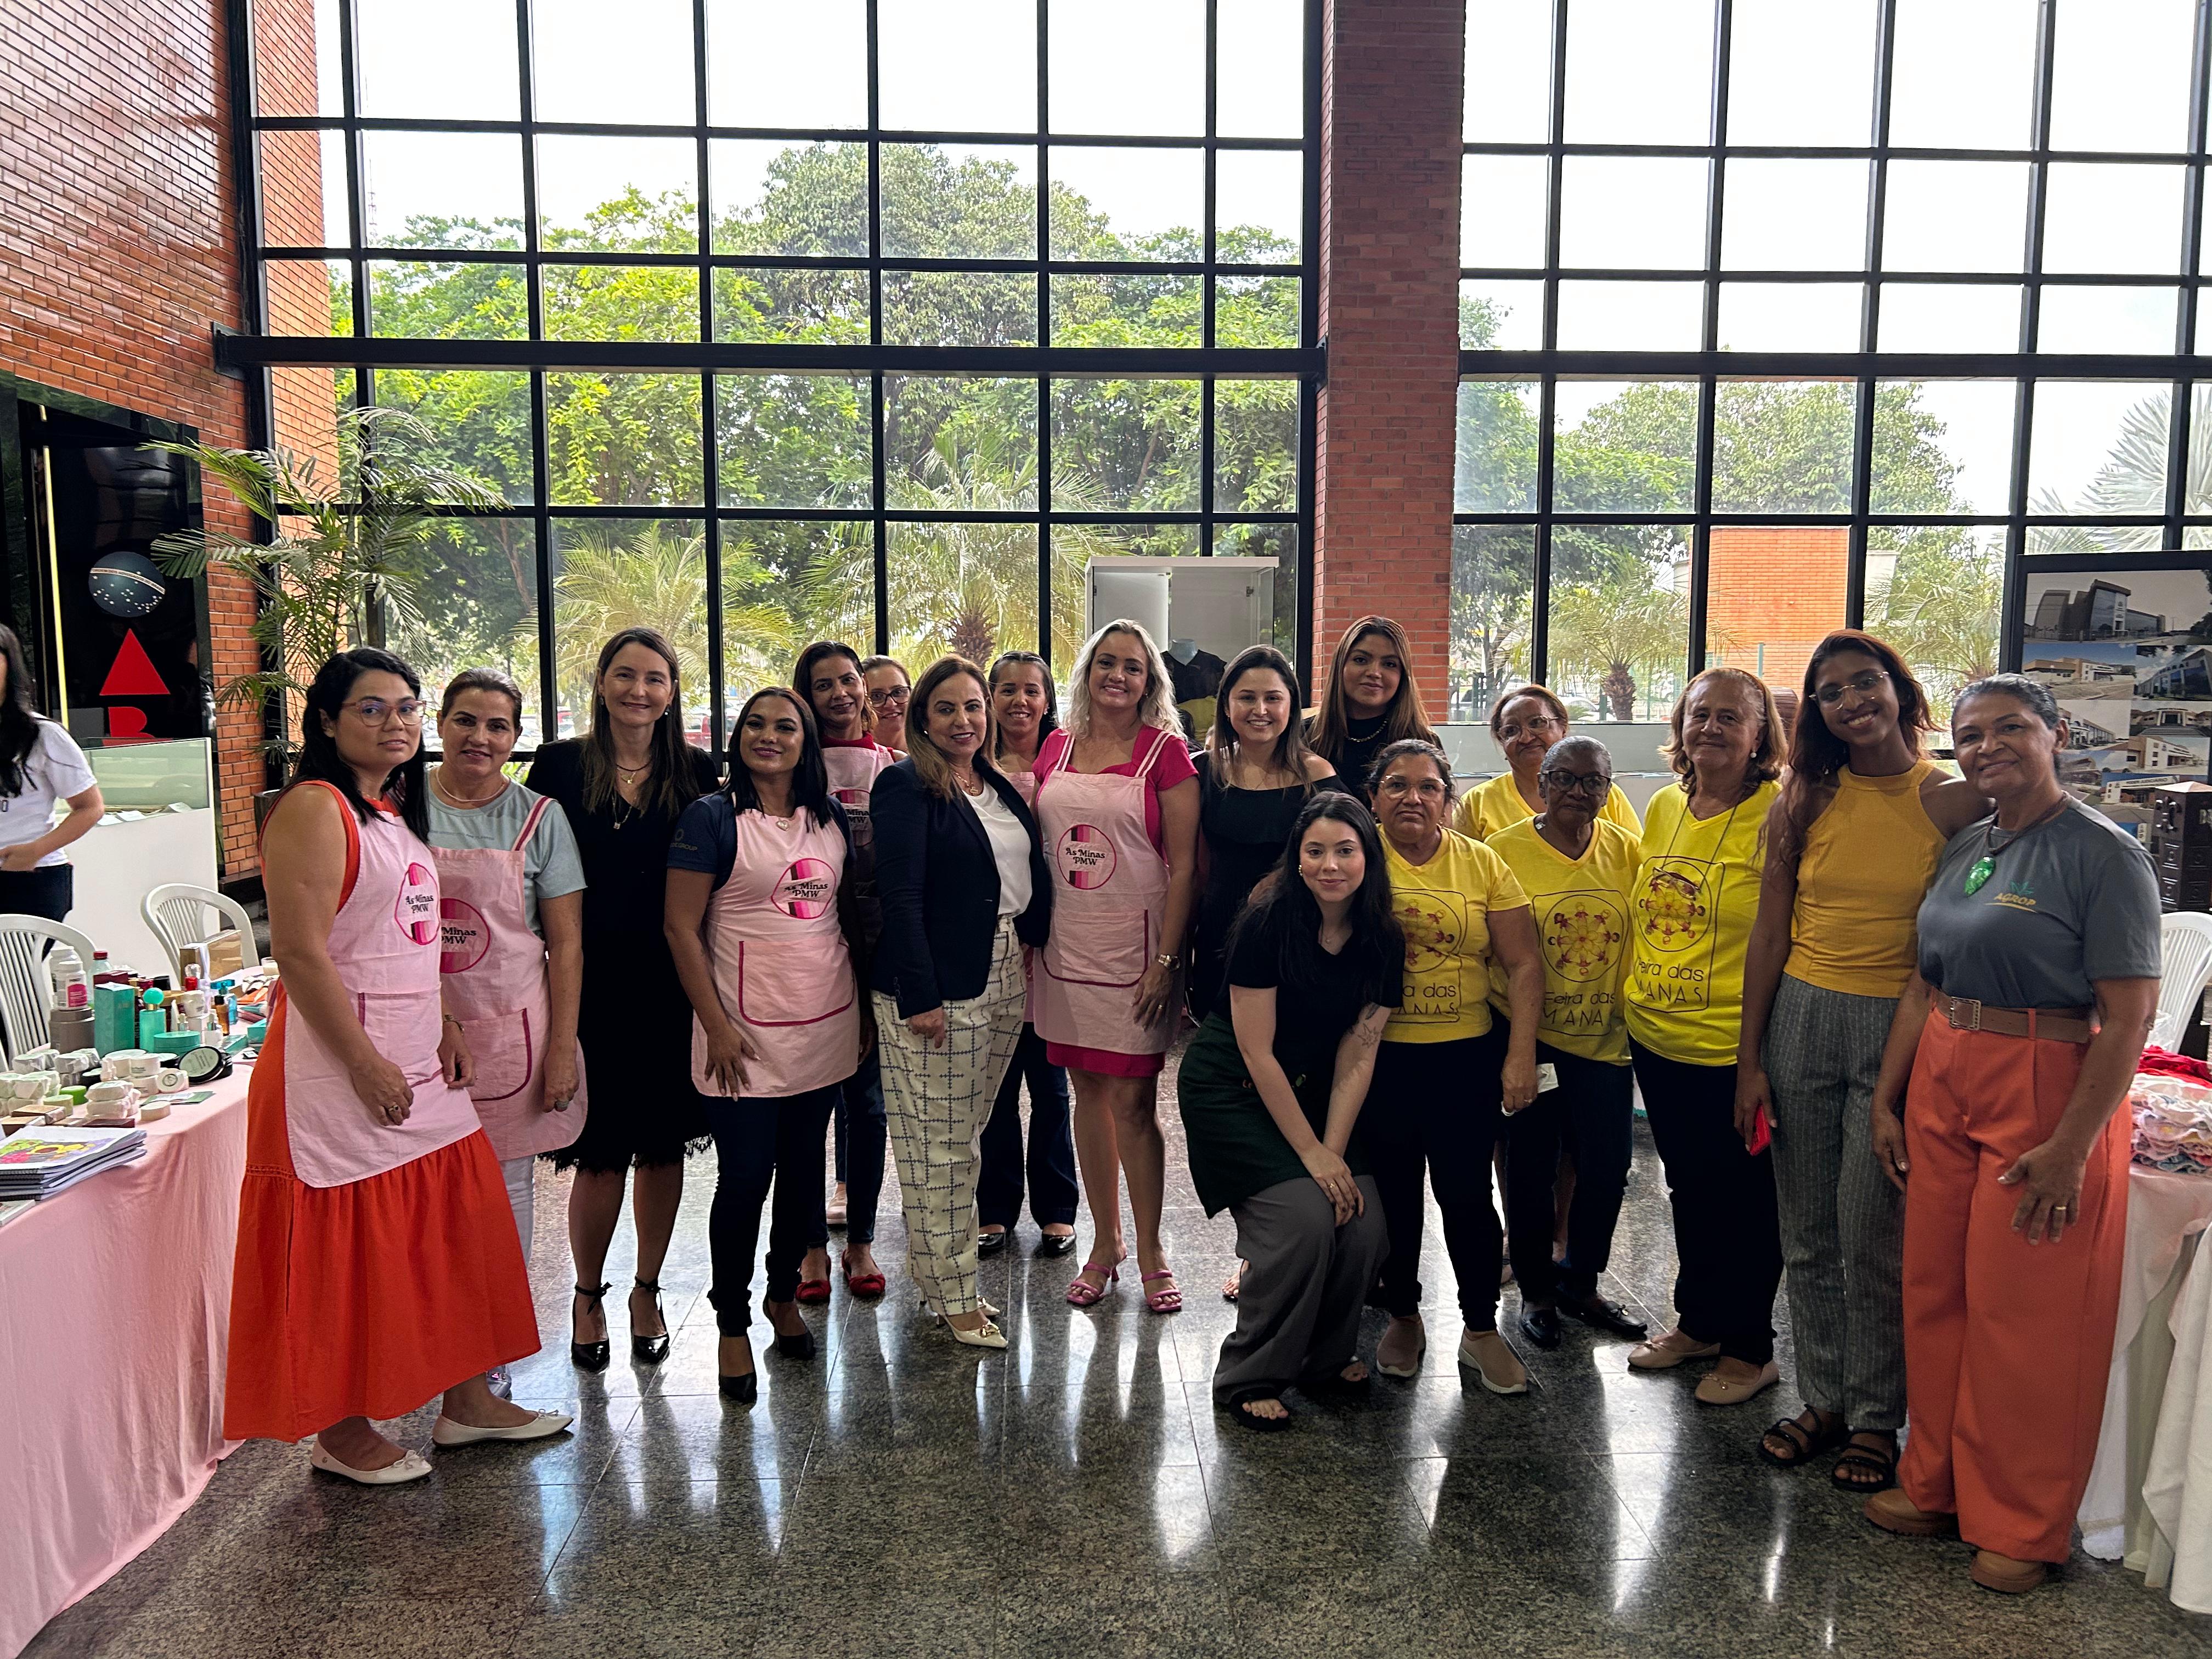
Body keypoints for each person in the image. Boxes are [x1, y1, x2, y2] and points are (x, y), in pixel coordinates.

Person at [225, 648, 567, 1483]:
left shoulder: (388, 812)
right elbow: (302, 957)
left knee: (455, 1228)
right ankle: (340, 1430)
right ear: (329, 721)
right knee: (348, 1250)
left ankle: (467, 1401)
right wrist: (365, 1063)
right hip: (340, 1073)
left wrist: (445, 1020)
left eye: (407, 708)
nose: (396, 723)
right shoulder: (314, 809)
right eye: (373, 709)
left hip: (419, 1060)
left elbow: (403, 943)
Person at [1862, 675, 2159, 1594]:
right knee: (1937, 1290)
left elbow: (2125, 1019)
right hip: (1943, 1070)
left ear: (2054, 732)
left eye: (2009, 728)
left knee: (2023, 1312)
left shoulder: (2104, 857)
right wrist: (1887, 1096)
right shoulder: (1969, 843)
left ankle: (2021, 1522)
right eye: (1969, 734)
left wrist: (2071, 1146)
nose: (1986, 747)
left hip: (2043, 1084)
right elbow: (1921, 981)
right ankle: (1937, 1480)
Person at [1735, 633, 1987, 1491]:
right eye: (1831, 692)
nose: (1851, 700)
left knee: (1870, 1232)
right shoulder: (1804, 798)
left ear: (1900, 689)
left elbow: (1953, 947)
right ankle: (1827, 1399)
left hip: (1899, 1030)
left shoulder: (1954, 805)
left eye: (1864, 682)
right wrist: (1750, 1061)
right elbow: (1770, 933)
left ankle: (1881, 1416)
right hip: (1801, 1015)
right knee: (1805, 1233)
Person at [664, 687, 870, 1402]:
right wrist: (716, 1025)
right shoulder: (711, 819)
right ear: (737, 736)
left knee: (804, 1177)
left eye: (786, 726)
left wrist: (866, 1012)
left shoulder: (829, 817)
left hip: (823, 1024)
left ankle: (783, 1296)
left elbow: (841, 920)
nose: (769, 736)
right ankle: (730, 1322)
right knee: (746, 1179)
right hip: (740, 1038)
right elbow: (679, 929)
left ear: (806, 742)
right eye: (756, 724)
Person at [526, 628, 720, 1372]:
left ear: (673, 693)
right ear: (602, 682)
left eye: (655, 680)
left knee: (663, 1147)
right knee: (601, 1153)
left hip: (672, 980)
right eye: (625, 676)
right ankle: (585, 1293)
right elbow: (530, 871)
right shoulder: (560, 766)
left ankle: (647, 1290)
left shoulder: (695, 770)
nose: (640, 691)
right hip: (588, 979)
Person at [1178, 794, 1400, 1430]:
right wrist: (1312, 1156)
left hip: (1310, 1089)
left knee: (1363, 1219)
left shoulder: (1382, 935)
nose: (1330, 865)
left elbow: (1360, 1049)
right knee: (1303, 1220)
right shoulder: (1268, 921)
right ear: (1297, 858)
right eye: (1315, 851)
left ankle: (1323, 1361)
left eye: (1346, 850)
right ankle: (1249, 1373)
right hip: (1233, 1086)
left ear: (1368, 856)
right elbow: (1255, 1050)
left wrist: (1332, 1151)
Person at [871, 657, 1054, 1347]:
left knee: (957, 1139)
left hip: (1004, 971)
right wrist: (921, 996)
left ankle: (933, 1274)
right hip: (938, 988)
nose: (964, 721)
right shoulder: (905, 785)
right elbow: (901, 896)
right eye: (946, 709)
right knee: (938, 1149)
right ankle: (953, 1295)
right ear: (922, 717)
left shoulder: (993, 784)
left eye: (973, 707)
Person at [1622, 667, 1786, 1405]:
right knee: (1687, 1188)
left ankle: (1751, 1348)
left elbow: (1784, 934)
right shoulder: (1664, 806)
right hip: (1659, 1038)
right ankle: (1699, 1324)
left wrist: (1755, 1058)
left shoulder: (1779, 813)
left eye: (1730, 718)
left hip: (1733, 1048)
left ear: (1760, 737)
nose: (1711, 729)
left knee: (1746, 1201)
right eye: (1699, 715)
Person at [1362, 738, 1545, 1392]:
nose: (1413, 797)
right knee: (1394, 1199)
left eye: (1428, 786)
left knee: (1468, 1197)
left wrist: (1520, 1055)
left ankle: (1480, 1329)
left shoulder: (1483, 864)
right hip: (1377, 1063)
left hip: (1465, 1059)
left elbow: (1524, 964)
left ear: (1448, 798)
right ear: (1374, 796)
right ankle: (1404, 1315)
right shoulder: (1358, 858)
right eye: (1397, 785)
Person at [425, 669, 589, 1396]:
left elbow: (568, 944)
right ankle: (428, 1347)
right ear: (439, 724)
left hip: (510, 1029)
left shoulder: (538, 818)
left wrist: (562, 1049)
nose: (480, 737)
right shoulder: (399, 810)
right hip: (415, 1028)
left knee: (505, 1194)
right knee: (418, 1199)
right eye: (466, 721)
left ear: (515, 739)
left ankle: (489, 1356)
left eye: (497, 726)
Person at [1031, 619, 1200, 1313]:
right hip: (1066, 951)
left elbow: (1187, 866)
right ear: (1088, 672)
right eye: (1107, 663)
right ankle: (1106, 1242)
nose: (1118, 677)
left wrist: (1169, 962)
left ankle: (1153, 1245)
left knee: (1133, 1102)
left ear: (1150, 682)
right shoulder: (1056, 745)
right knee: (1085, 1095)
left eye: (1133, 667)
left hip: (1136, 954)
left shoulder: (1168, 754)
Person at [1482, 735, 1649, 1347]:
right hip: (1531, 1041)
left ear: (1610, 790)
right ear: (1544, 783)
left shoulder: (1628, 852)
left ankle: (1581, 1281)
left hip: (1606, 1043)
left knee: (1608, 1171)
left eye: (1594, 782)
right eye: (1566, 779)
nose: (1579, 792)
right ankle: (1535, 1291)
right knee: (1529, 1172)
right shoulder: (1501, 853)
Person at [793, 641, 890, 1299]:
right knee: (808, 1106)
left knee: (869, 1103)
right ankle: (807, 1248)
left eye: (849, 680)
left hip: (879, 948)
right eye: (823, 684)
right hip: (807, 947)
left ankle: (859, 1242)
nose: (840, 693)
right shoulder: (791, 769)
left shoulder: (897, 767)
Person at [975, 649, 1077, 1259]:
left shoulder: (1066, 758)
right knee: (996, 1084)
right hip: (993, 941)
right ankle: (994, 1208)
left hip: (1058, 940)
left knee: (1051, 1086)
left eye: (1031, 691)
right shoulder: (972, 763)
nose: (1019, 701)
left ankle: (1058, 1210)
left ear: (1047, 699)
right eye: (1007, 690)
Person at [1191, 645, 1342, 1025]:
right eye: (1247, 698)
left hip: (1295, 936)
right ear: (1226, 706)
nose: (1260, 710)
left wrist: (1285, 876)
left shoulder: (1317, 775)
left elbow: (1352, 854)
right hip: (1218, 934)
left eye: (1273, 698)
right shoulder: (1203, 771)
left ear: (1291, 707)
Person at [0, 622, 102, 922]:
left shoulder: (42, 735)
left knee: (15, 969)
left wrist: (35, 851)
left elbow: (90, 807)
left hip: (29, 877)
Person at [1455, 684, 1639, 842]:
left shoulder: (1602, 792)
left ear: (1563, 728)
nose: (1526, 738)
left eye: (1537, 723)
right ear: (1502, 742)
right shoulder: (1478, 802)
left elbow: (1637, 860)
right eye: (1511, 731)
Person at [1305, 616, 1438, 795]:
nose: (1374, 673)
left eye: (1389, 664)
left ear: (1403, 676)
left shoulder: (1423, 743)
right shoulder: (1303, 738)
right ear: (1340, 666)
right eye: (1361, 660)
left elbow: (1439, 818)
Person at [862, 656, 912, 756]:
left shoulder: (936, 750)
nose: (891, 704)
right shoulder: (858, 756)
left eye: (898, 692)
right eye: (877, 696)